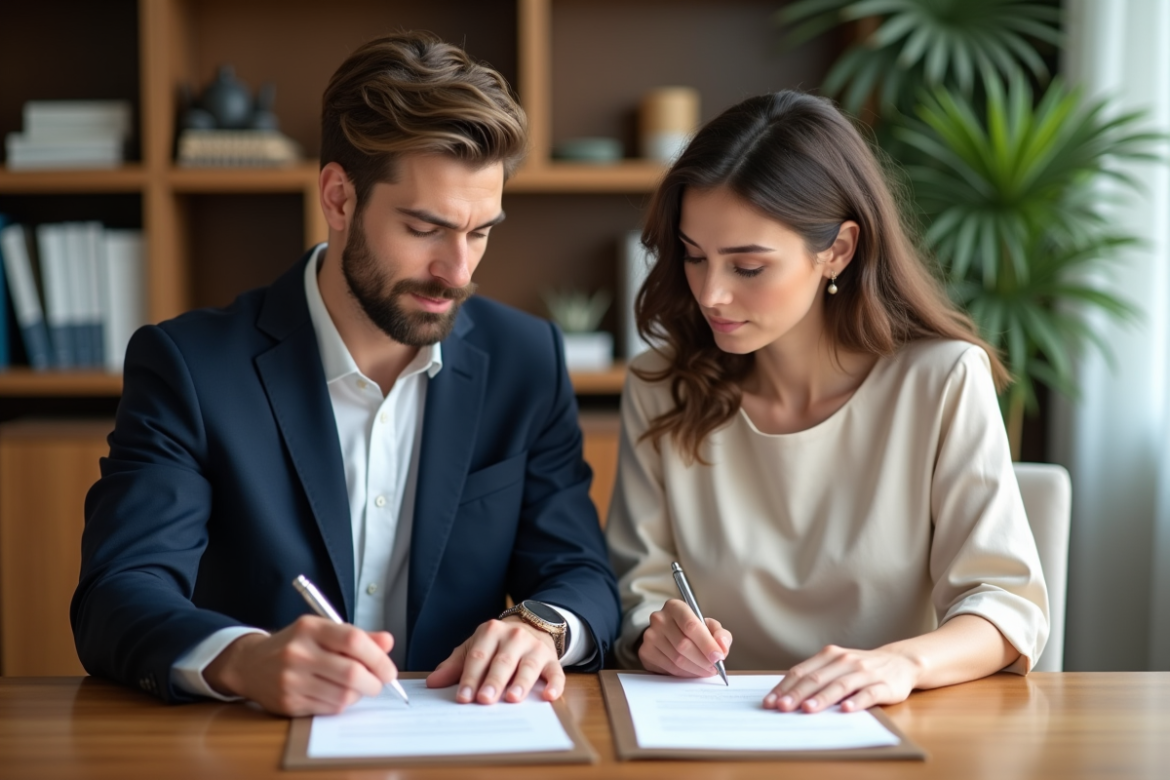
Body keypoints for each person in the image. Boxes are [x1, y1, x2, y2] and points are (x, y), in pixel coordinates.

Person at [71, 32, 620, 716]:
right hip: (253, 745)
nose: (458, 272)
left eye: (480, 232)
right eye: (425, 229)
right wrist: (240, 658)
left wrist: (543, 627)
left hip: (463, 742)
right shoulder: (190, 366)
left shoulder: (525, 358)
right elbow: (118, 593)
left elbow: (581, 574)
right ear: (338, 197)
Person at [606, 90, 1049, 714]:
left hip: (892, 728)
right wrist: (659, 635)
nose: (711, 294)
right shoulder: (660, 386)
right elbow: (637, 590)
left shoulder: (941, 380)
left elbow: (1005, 606)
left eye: (748, 267)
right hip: (709, 734)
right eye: (694, 256)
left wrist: (901, 663)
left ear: (837, 250)